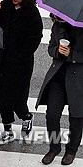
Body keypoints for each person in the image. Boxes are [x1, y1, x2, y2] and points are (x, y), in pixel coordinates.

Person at [0, 0, 43, 144]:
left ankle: (25, 116)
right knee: (2, 97)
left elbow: (35, 37)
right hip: (3, 59)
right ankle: (7, 129)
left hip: (20, 63)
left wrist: (21, 56)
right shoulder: (5, 6)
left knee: (17, 98)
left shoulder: (32, 13)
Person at [36, 14, 83, 165]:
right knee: (51, 115)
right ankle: (54, 147)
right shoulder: (57, 26)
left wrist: (72, 54)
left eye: (61, 18)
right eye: (57, 17)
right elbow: (50, 48)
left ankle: (71, 151)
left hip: (77, 80)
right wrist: (58, 51)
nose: (58, 19)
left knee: (76, 118)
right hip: (58, 79)